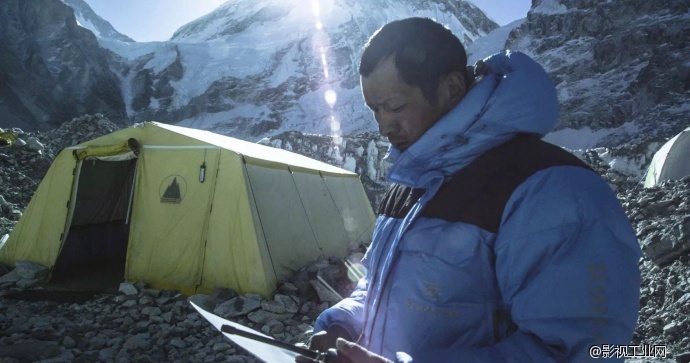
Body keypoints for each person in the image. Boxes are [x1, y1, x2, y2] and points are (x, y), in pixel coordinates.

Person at [300, 17, 641, 363]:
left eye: (396, 106)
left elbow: (579, 351)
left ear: (450, 90)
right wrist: (341, 329)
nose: (383, 124)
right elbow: (376, 286)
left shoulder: (551, 190)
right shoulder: (409, 183)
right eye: (375, 109)